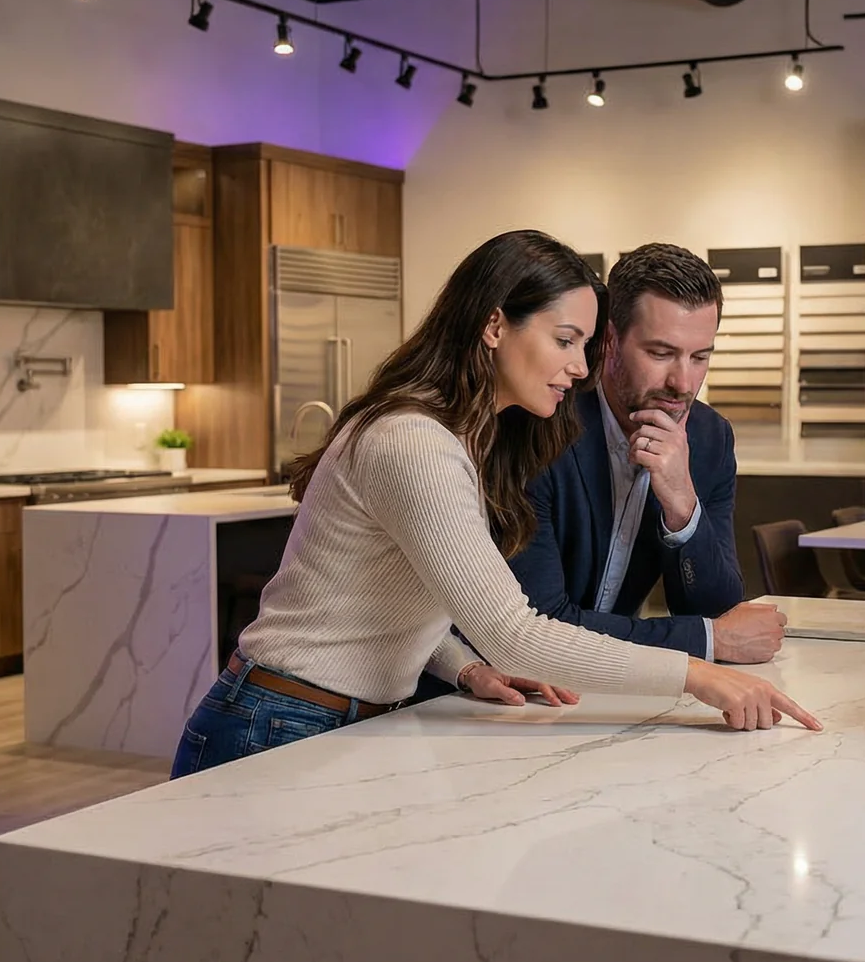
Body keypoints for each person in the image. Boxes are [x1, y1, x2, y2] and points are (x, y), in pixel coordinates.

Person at [171, 230, 820, 780]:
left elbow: (400, 593)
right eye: (565, 341)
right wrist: (699, 676)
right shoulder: (413, 441)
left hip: (337, 718)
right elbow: (516, 632)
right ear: (493, 325)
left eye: (584, 345)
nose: (579, 368)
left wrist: (462, 666)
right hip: (278, 721)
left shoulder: (464, 434)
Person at [504, 243, 784, 665]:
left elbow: (718, 611)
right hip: (495, 685)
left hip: (618, 685)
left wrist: (682, 505)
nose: (683, 383)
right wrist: (706, 641)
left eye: (699, 357)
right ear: (610, 340)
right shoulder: (539, 423)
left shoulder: (710, 437)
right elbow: (540, 624)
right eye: (661, 353)